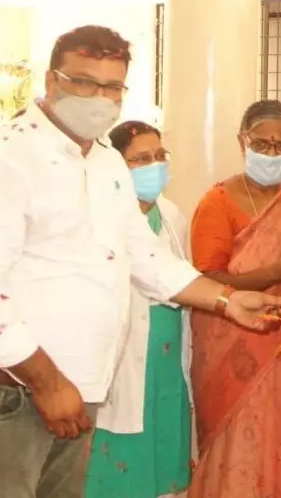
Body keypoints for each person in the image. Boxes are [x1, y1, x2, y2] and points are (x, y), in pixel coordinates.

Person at [0, 25, 281, 498]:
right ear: (51, 81)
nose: (99, 98)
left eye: (113, 86)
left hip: (74, 384)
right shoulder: (3, 159)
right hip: (6, 387)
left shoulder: (104, 162)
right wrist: (48, 383)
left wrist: (226, 299)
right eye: (84, 82)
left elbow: (145, 255)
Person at [188, 100, 281, 497]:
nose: (271, 153)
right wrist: (272, 274)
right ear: (242, 141)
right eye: (262, 144)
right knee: (237, 445)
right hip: (230, 342)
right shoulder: (217, 202)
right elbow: (205, 279)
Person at [84, 121, 192, 498]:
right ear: (117, 165)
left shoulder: (172, 214)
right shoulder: (101, 217)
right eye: (140, 159)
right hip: (124, 358)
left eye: (159, 155)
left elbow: (180, 277)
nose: (154, 165)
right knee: (120, 464)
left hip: (168, 363)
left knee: (165, 456)